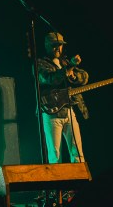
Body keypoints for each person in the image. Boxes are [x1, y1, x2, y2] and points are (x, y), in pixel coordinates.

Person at [36, 31, 89, 164]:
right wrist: (70, 67)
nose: (58, 48)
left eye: (60, 45)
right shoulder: (40, 63)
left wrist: (73, 76)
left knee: (78, 153)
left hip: (69, 111)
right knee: (55, 156)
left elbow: (84, 77)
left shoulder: (65, 62)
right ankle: (57, 185)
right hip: (51, 114)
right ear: (47, 46)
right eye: (54, 45)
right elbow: (50, 79)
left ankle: (80, 183)